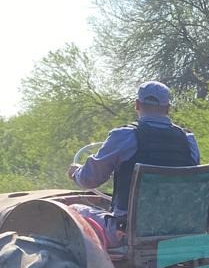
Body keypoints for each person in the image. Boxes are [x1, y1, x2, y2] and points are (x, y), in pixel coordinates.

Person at [68, 80, 201, 244]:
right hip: (180, 230)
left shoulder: (123, 136)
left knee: (73, 211)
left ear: (137, 105)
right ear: (168, 108)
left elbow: (90, 180)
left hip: (129, 231)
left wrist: (76, 173)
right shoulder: (188, 141)